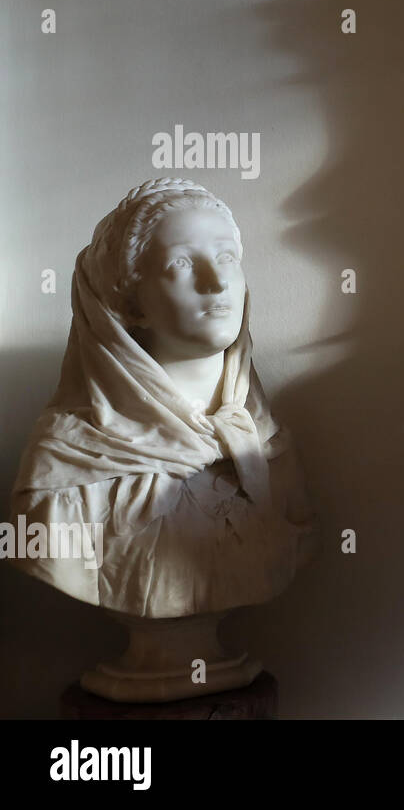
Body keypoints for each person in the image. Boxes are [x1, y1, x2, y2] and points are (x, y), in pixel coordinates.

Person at [8, 178, 317, 618]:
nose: (215, 282)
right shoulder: (66, 466)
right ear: (131, 303)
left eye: (226, 257)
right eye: (182, 264)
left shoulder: (268, 451)